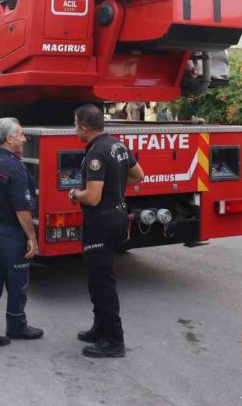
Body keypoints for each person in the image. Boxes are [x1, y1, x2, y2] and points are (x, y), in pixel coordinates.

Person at [69, 104, 144, 358]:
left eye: (74, 125)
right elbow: (139, 175)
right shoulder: (117, 145)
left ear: (83, 127)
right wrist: (116, 188)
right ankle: (100, 328)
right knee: (97, 279)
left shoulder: (96, 154)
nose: (74, 130)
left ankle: (114, 341)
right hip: (117, 219)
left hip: (100, 224)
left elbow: (91, 197)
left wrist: (74, 193)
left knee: (102, 283)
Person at [0, 118, 43, 350]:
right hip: (9, 235)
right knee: (17, 284)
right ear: (10, 138)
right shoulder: (14, 167)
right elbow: (22, 209)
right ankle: (16, 326)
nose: (25, 139)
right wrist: (32, 238)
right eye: (22, 134)